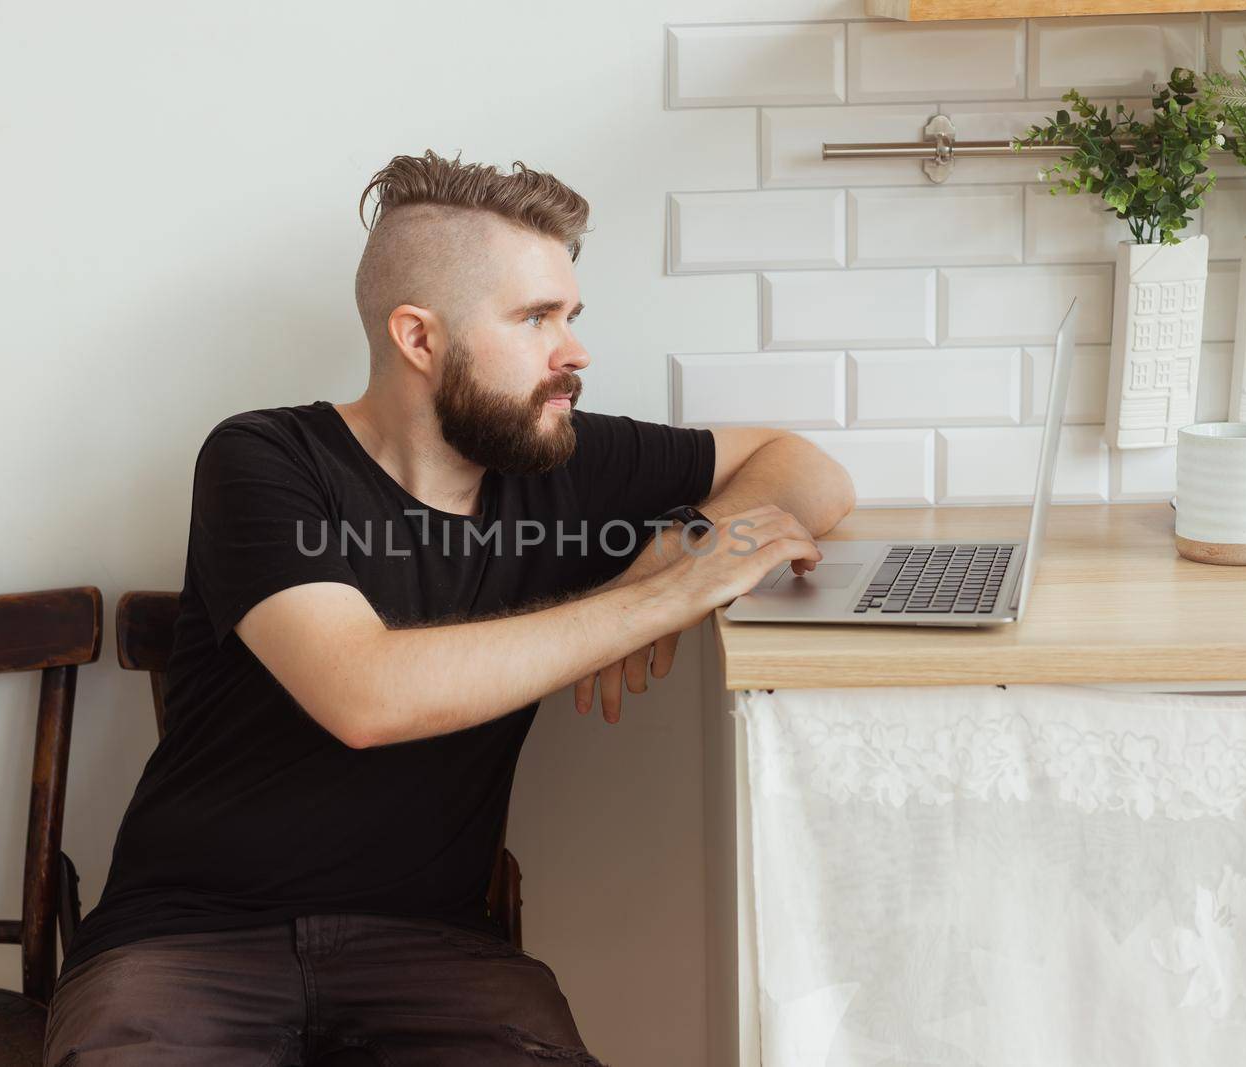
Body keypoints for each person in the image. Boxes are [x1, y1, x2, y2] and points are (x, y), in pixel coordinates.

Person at [43, 149, 855, 1066]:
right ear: (419, 339)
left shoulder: (561, 458)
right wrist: (666, 597)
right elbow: (366, 695)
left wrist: (688, 542)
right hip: (184, 943)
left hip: (431, 945)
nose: (575, 350)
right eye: (536, 318)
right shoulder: (263, 457)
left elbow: (807, 468)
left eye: (572, 315)